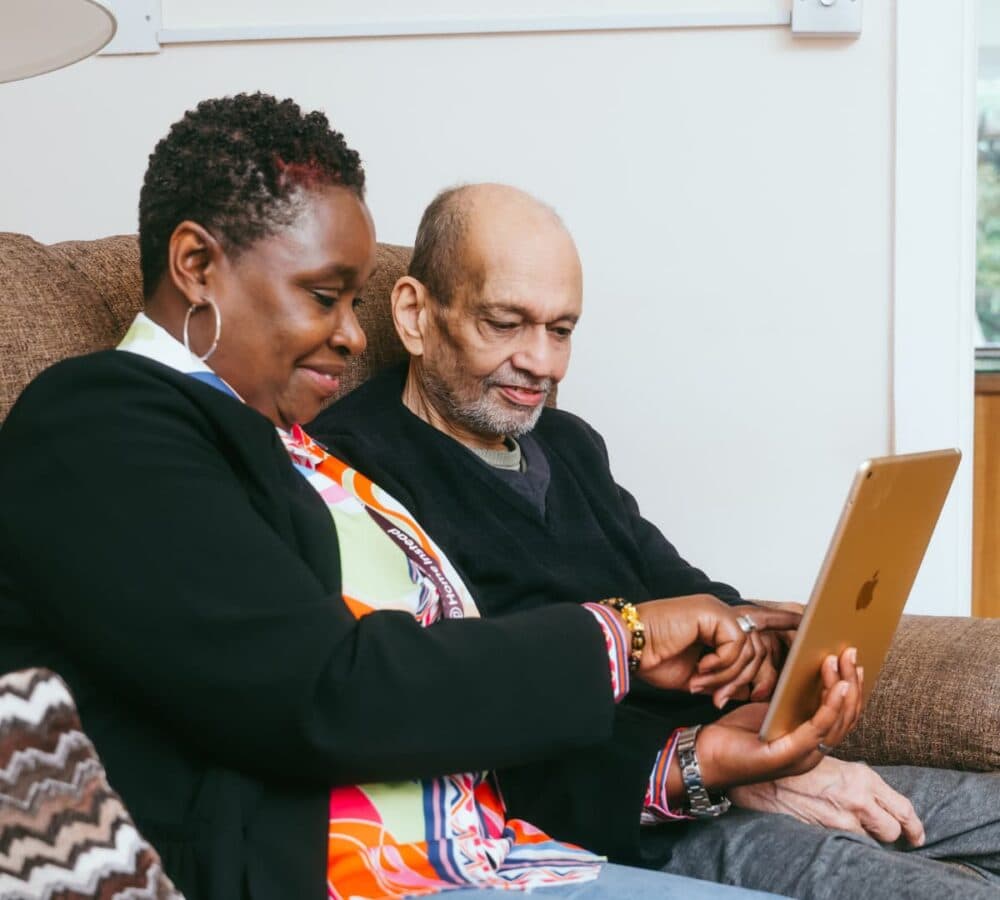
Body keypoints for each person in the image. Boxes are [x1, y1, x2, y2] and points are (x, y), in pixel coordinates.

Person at [0, 95, 823, 900]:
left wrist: (686, 761)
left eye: (354, 303)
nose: (356, 336)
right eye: (326, 297)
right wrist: (627, 636)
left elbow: (459, 716)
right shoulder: (98, 422)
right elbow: (326, 693)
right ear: (196, 265)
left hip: (503, 856)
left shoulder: (300, 453)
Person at [313, 182, 1000, 900]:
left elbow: (685, 592)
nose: (542, 364)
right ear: (416, 315)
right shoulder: (353, 474)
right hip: (626, 815)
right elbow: (457, 718)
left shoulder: (569, 445)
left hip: (729, 763)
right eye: (505, 323)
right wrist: (702, 770)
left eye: (561, 329)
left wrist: (766, 650)